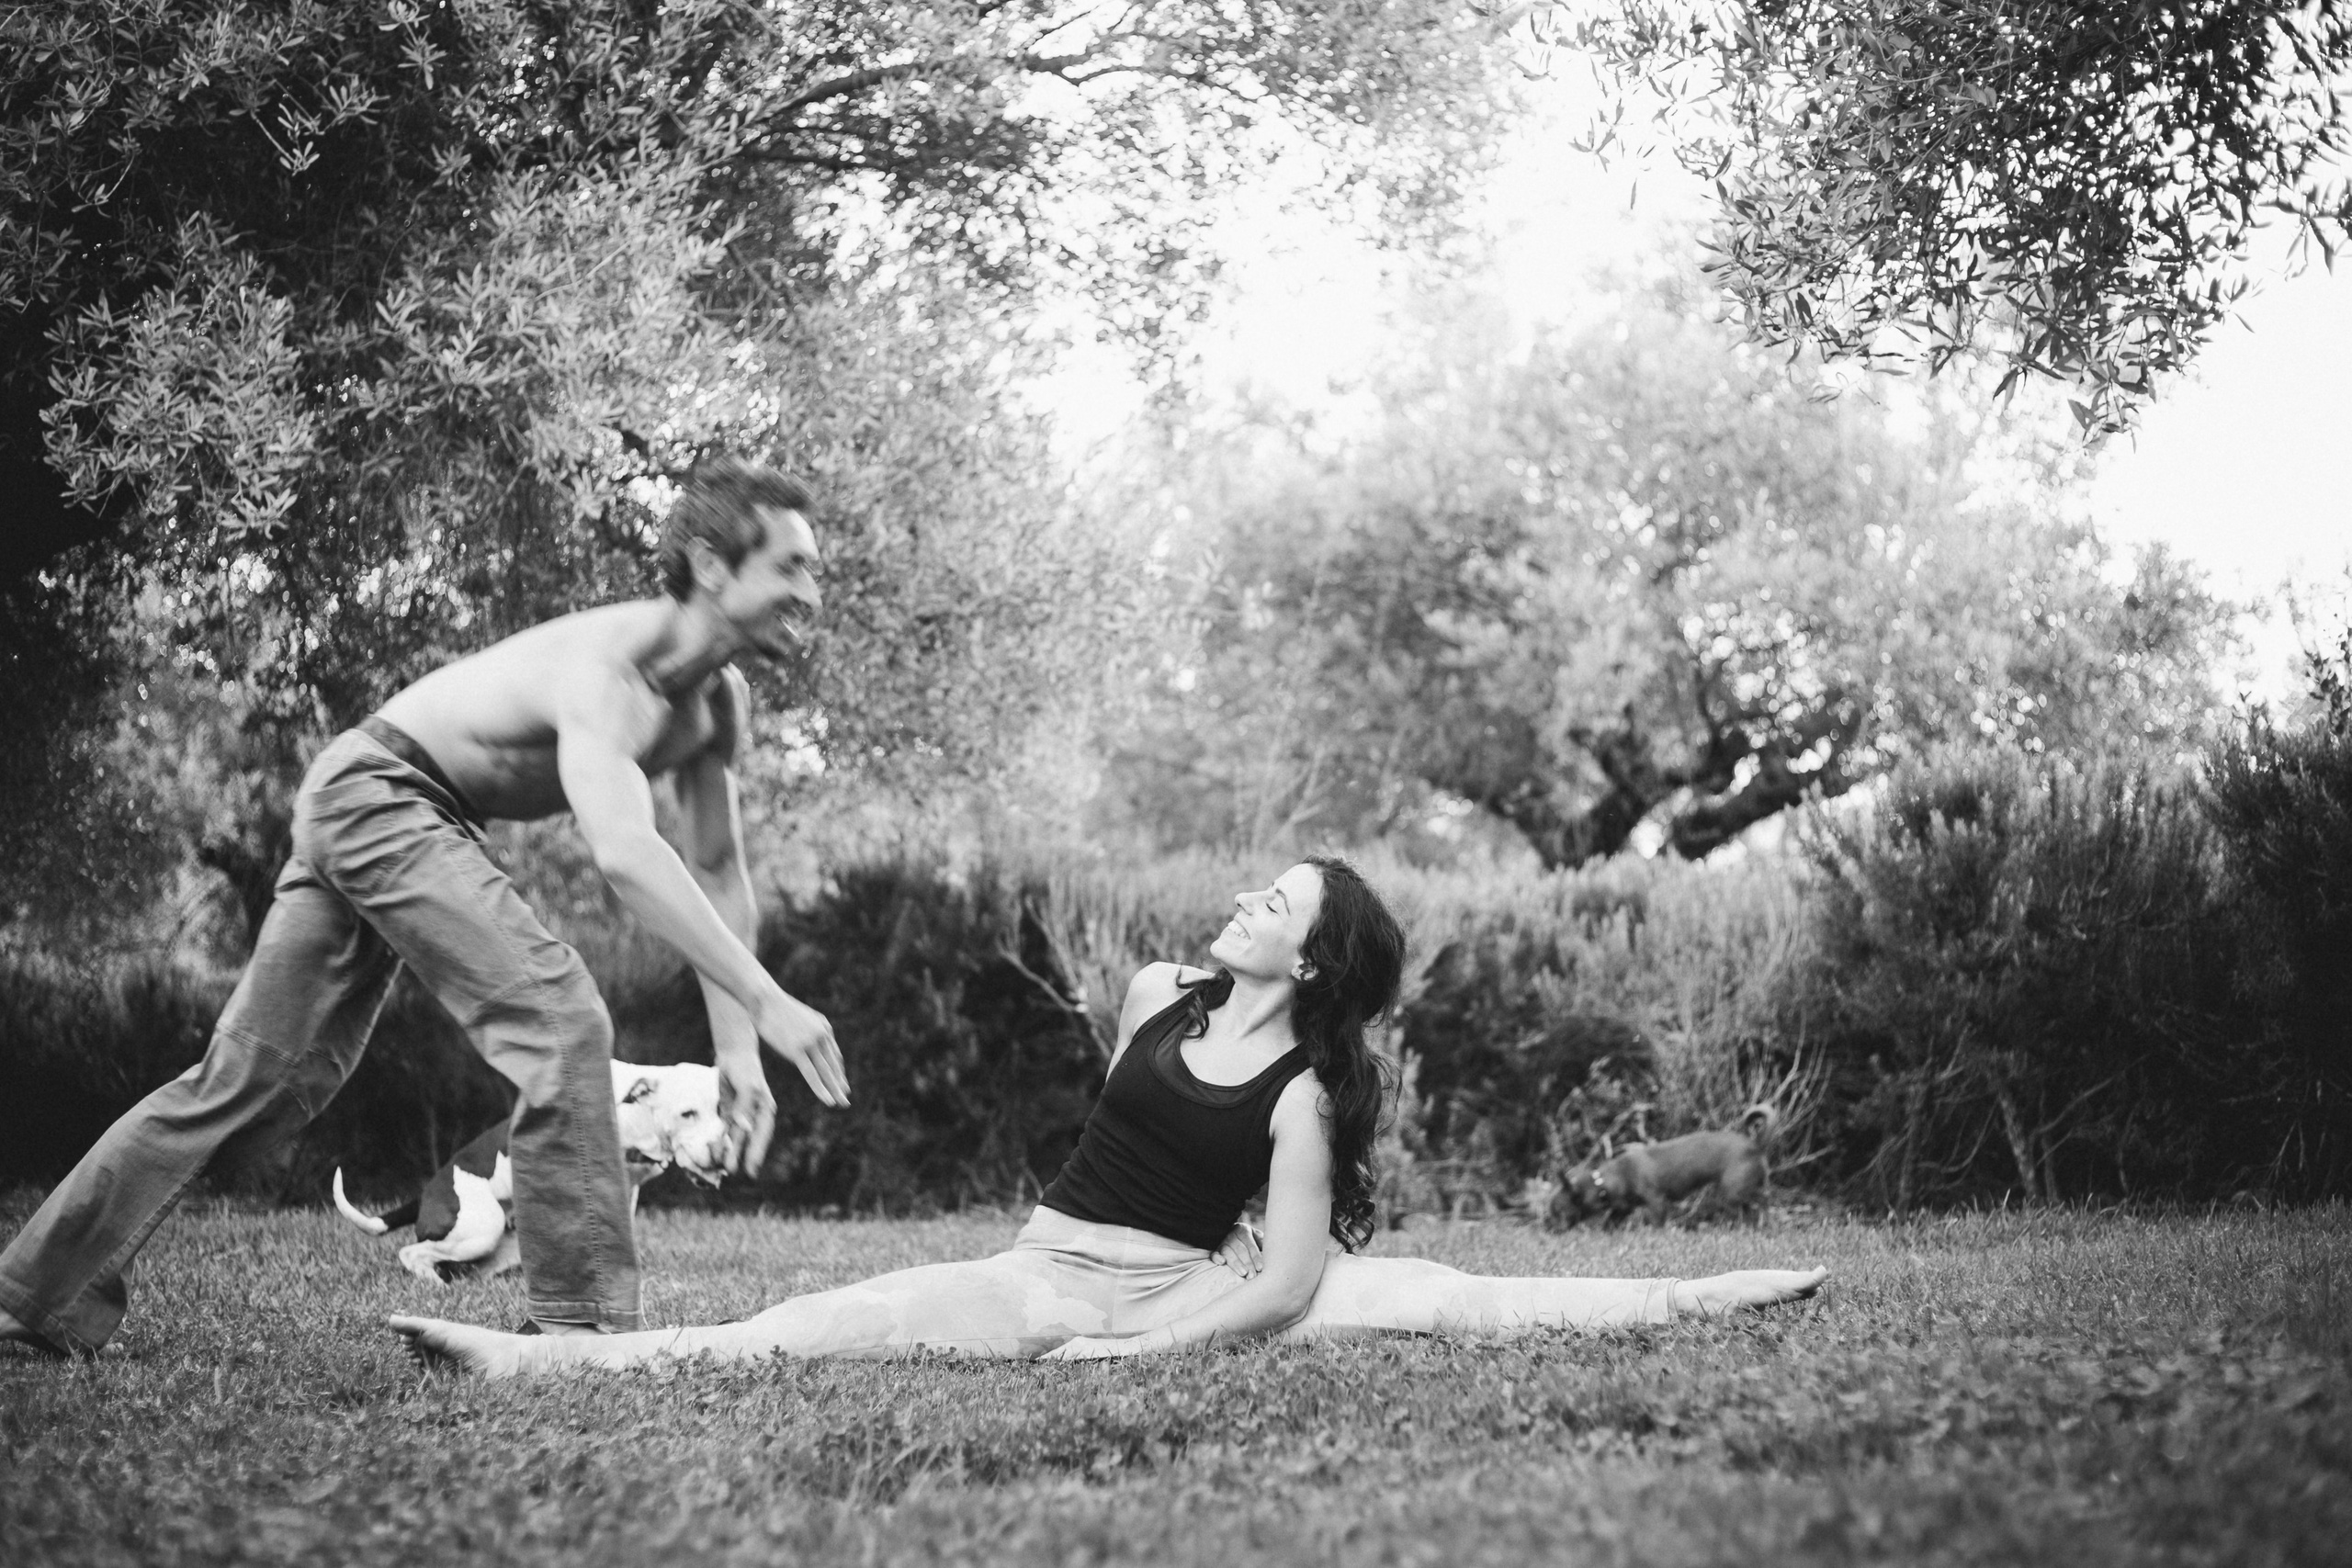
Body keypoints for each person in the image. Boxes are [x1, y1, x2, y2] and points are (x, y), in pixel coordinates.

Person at [0, 459, 851, 1356]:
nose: (811, 593)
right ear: (712, 564)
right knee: (559, 1017)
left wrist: (735, 1049)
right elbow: (627, 853)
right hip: (381, 793)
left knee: (258, 1080)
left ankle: (31, 1297)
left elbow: (716, 868)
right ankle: (584, 1331)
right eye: (790, 567)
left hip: (393, 807)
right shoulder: (611, 669)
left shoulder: (717, 705)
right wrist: (768, 997)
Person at [390, 858, 1826, 1378]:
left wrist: (1141, 1348)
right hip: (1049, 1268)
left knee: (1450, 1294)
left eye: (1278, 903)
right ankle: (537, 1362)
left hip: (1182, 1288)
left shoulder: (1306, 1094)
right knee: (805, 1323)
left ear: (1313, 959)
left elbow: (1283, 1284)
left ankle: (1697, 1291)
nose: (1246, 901)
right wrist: (1096, 1317)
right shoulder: (1153, 993)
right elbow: (1143, 1147)